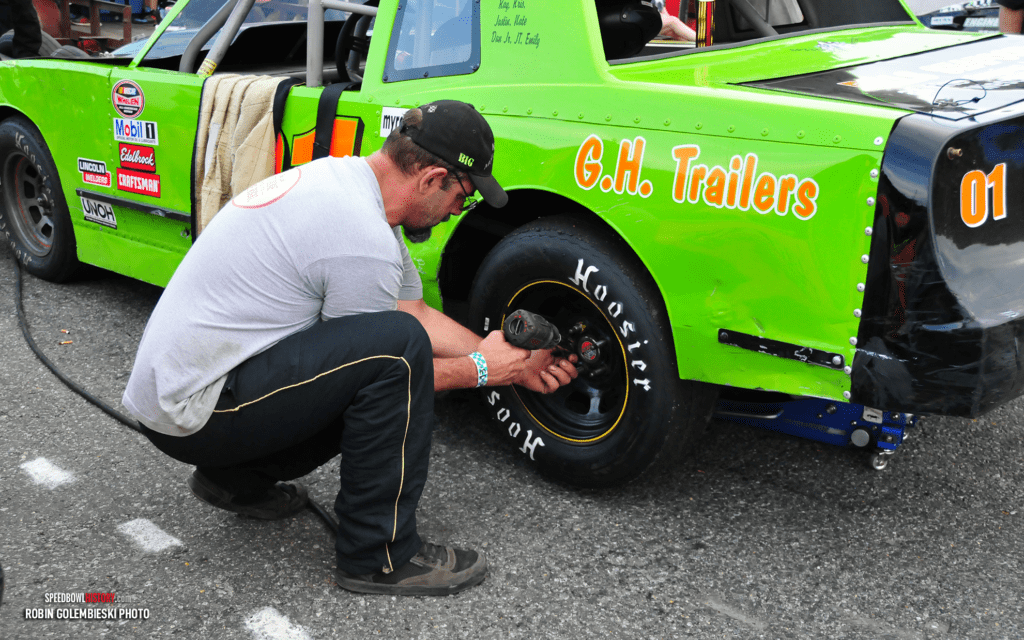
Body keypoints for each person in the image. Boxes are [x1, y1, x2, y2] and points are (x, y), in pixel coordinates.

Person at [122, 100, 578, 596]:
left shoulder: (351, 188)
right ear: (432, 178)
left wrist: (518, 364)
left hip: (190, 390)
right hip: (193, 412)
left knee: (392, 347)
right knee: (396, 359)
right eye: (461, 198)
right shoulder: (361, 237)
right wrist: (484, 371)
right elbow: (390, 364)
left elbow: (414, 314)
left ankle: (231, 480)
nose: (454, 214)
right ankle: (378, 557)